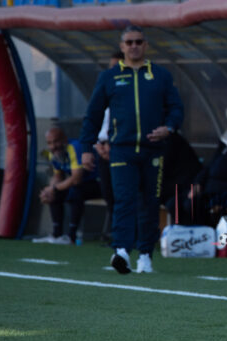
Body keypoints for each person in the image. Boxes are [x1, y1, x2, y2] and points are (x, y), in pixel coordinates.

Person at [80, 25, 183, 274]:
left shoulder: (160, 75)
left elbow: (176, 108)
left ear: (145, 45)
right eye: (129, 42)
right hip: (121, 150)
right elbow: (93, 114)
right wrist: (86, 147)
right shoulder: (109, 77)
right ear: (122, 46)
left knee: (150, 202)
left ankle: (145, 255)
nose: (134, 46)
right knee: (124, 200)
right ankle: (122, 251)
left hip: (153, 150)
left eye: (138, 41)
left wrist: (169, 127)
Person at [33, 126, 101, 245]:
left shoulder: (74, 147)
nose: (53, 146)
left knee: (76, 190)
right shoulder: (53, 153)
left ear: (64, 139)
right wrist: (48, 191)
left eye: (56, 141)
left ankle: (71, 236)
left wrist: (54, 188)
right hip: (80, 185)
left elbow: (76, 179)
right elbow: (58, 177)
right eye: (49, 143)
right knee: (55, 193)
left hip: (99, 183)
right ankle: (56, 235)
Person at [93, 50, 124, 241]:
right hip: (102, 149)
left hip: (120, 149)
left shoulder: (130, 93)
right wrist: (98, 145)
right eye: (111, 67)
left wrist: (114, 146)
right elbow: (95, 120)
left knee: (123, 193)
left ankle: (124, 233)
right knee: (108, 193)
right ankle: (115, 232)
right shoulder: (104, 90)